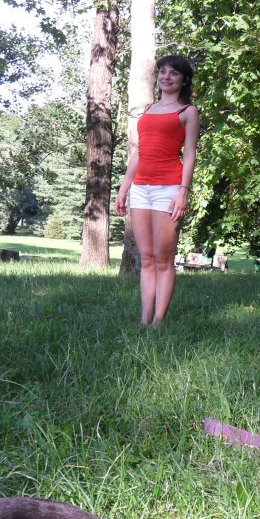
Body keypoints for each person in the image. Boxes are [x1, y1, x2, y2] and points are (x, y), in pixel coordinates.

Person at [115, 56, 200, 327]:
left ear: (184, 80)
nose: (166, 77)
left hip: (169, 189)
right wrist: (124, 188)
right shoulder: (149, 109)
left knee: (163, 260)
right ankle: (144, 320)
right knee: (147, 258)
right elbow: (140, 152)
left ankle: (158, 322)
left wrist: (183, 192)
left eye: (173, 73)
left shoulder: (187, 111)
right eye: (162, 72)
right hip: (141, 189)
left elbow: (190, 154)